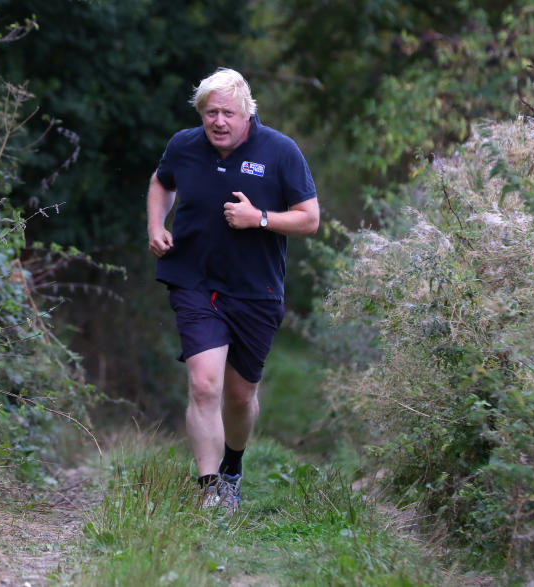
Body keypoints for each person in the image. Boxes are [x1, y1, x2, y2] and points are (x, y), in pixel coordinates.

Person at [146, 67, 320, 512]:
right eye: (210, 113)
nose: (218, 122)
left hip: (256, 289)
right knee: (204, 385)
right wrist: (156, 224)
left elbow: (309, 218)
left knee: (239, 396)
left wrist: (259, 218)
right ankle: (208, 491)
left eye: (227, 113)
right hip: (194, 280)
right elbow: (161, 182)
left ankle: (233, 469)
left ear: (247, 113)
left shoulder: (281, 151)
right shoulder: (184, 145)